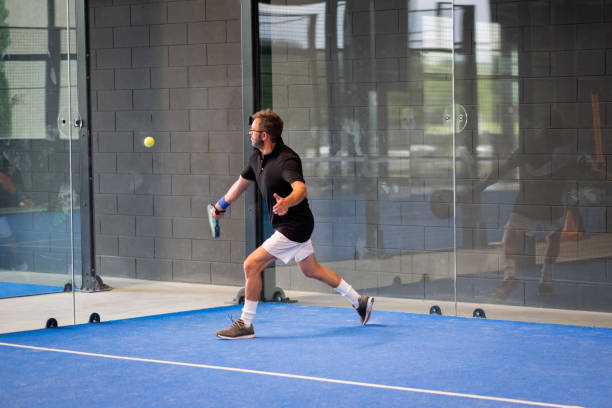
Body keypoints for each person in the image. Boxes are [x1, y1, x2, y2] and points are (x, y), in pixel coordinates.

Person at [212, 109, 374, 339]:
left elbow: (301, 188)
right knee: (311, 270)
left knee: (251, 265)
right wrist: (220, 206)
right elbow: (240, 185)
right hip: (292, 224)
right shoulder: (256, 158)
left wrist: (287, 202)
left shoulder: (286, 159)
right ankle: (359, 301)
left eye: (253, 130)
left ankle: (245, 324)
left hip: (294, 225)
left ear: (265, 135)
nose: (249, 133)